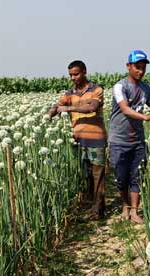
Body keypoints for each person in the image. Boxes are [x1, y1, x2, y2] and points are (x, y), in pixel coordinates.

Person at [110, 50, 150, 223]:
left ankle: (134, 211)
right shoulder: (120, 86)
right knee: (121, 178)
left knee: (137, 176)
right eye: (137, 67)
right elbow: (125, 108)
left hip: (137, 139)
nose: (140, 71)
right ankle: (126, 205)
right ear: (128, 66)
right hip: (119, 139)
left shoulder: (145, 88)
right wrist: (145, 117)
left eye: (143, 68)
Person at [48, 60, 107, 218]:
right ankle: (92, 206)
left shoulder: (96, 90)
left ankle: (98, 210)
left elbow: (92, 107)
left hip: (96, 139)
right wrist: (51, 112)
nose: (73, 77)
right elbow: (57, 104)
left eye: (76, 74)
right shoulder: (70, 93)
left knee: (97, 175)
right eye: (71, 75)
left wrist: (67, 108)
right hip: (78, 140)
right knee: (86, 175)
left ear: (84, 72)